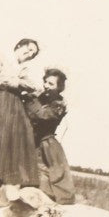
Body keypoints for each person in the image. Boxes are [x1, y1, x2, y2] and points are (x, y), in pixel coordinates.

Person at [0, 38, 43, 204]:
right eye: (27, 50)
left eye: (32, 54)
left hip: (15, 107)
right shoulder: (1, 56)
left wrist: (21, 83)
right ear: (18, 46)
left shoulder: (23, 68)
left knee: (10, 148)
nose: (28, 55)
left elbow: (32, 85)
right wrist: (17, 82)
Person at [25, 68, 75, 205]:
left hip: (46, 145)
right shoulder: (39, 99)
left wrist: (31, 100)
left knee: (50, 178)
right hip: (30, 144)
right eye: (45, 82)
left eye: (51, 84)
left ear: (59, 87)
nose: (46, 86)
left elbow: (43, 116)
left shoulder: (59, 104)